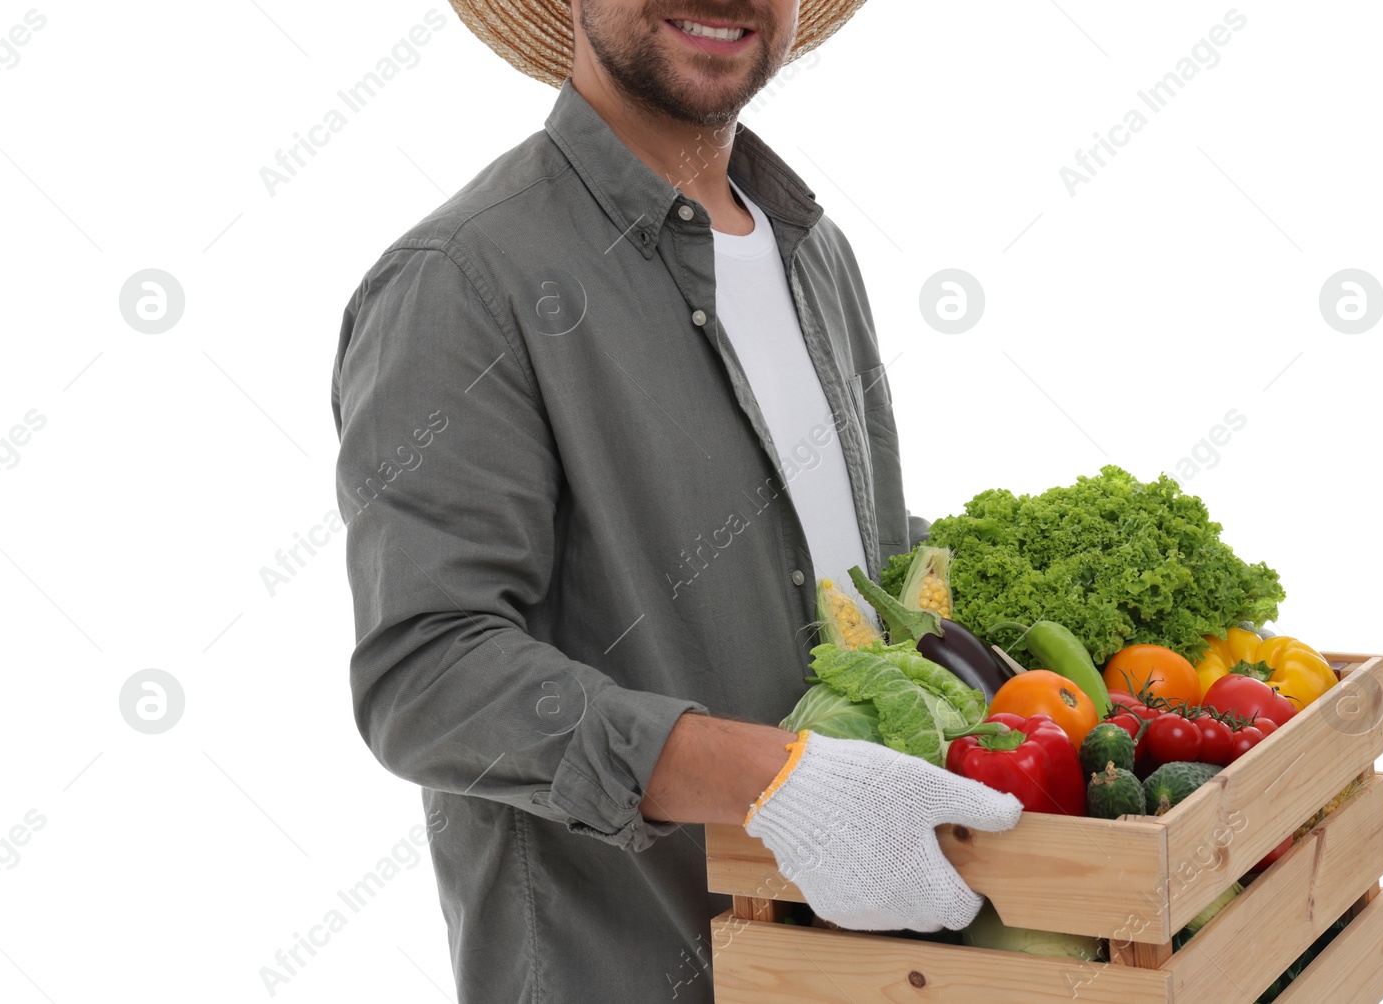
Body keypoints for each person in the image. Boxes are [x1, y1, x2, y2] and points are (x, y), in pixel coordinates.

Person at [330, 1, 1022, 999]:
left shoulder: (809, 251)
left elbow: (852, 563)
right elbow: (426, 674)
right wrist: (770, 778)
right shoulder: (463, 282)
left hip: (846, 968)